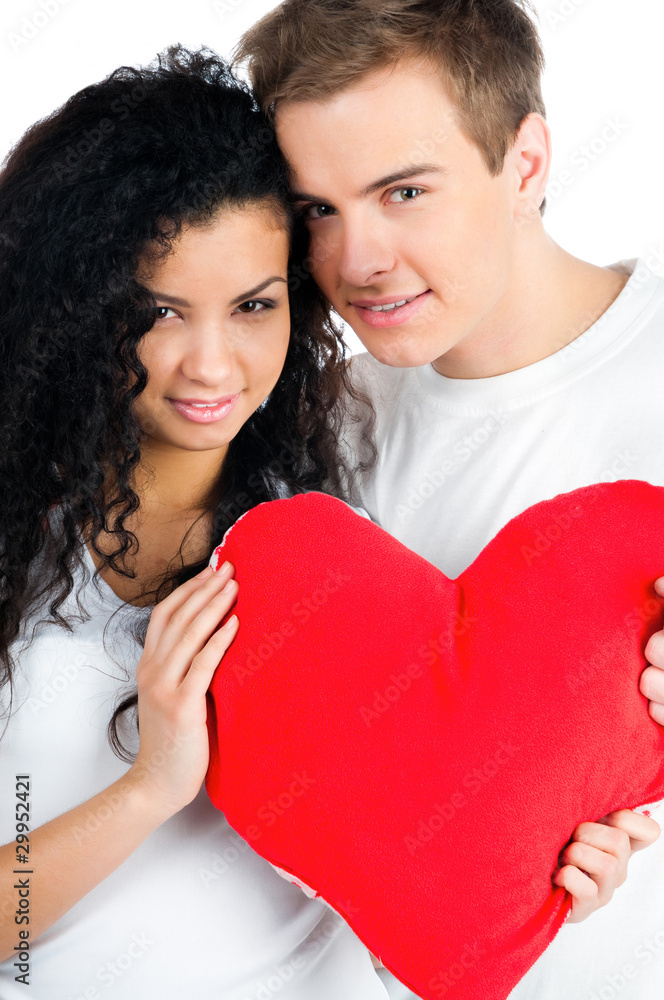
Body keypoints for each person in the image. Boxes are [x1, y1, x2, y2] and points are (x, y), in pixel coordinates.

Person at [236, 1, 664, 997]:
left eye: (403, 192)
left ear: (525, 165)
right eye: (317, 209)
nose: (356, 260)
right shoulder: (309, 423)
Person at [0, 45, 387, 1000]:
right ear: (77, 308)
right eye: (160, 312)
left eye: (254, 304)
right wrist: (152, 788)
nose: (213, 368)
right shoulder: (22, 537)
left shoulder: (348, 492)